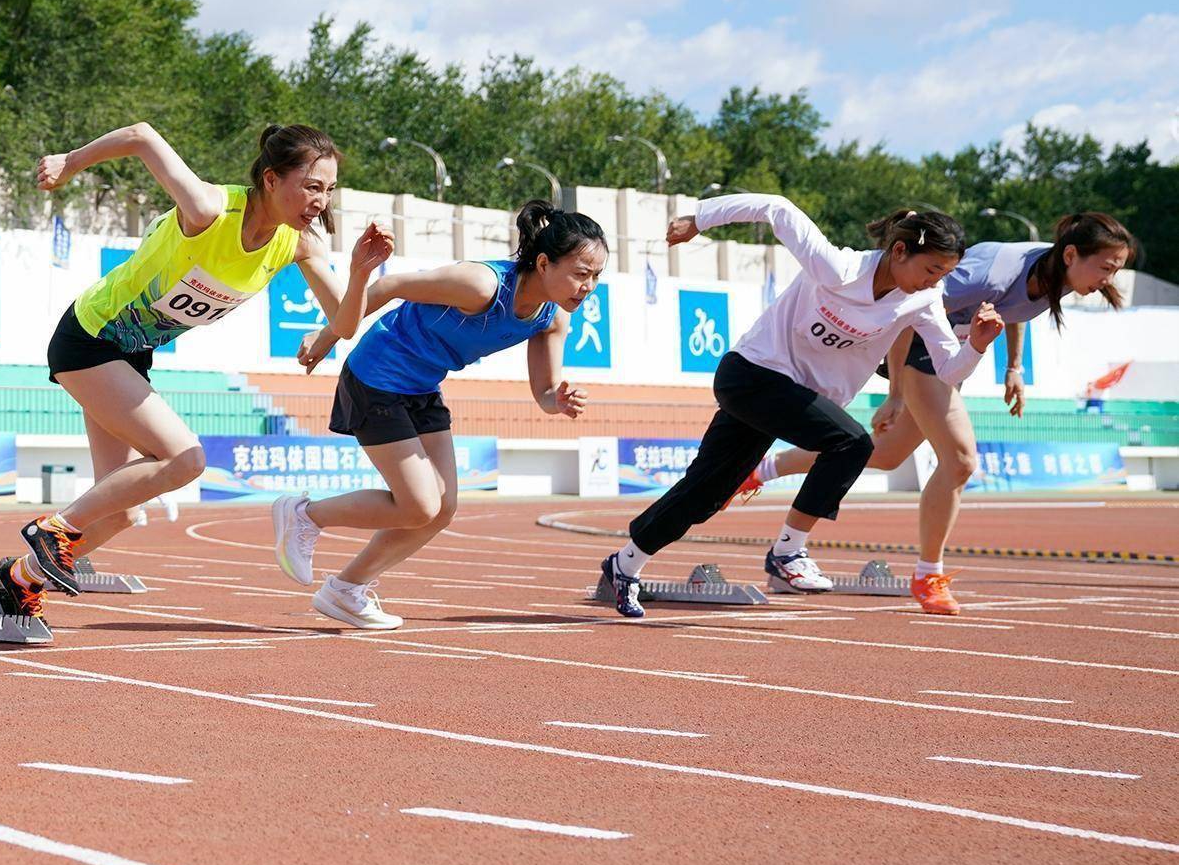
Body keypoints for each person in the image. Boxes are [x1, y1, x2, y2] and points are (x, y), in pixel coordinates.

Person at [0, 123, 349, 618]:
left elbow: (345, 319)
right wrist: (70, 162)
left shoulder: (299, 244)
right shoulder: (208, 209)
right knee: (186, 459)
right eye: (311, 186)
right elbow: (140, 135)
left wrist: (362, 277)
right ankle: (50, 530)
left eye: (329, 189)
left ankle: (19, 579)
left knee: (119, 515)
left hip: (130, 357)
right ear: (270, 179)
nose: (321, 201)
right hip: (89, 337)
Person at [598, 197, 1000, 617]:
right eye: (931, 270)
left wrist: (976, 344)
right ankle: (787, 552)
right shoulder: (837, 268)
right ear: (900, 251)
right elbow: (777, 207)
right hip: (751, 374)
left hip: (786, 398)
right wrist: (699, 219)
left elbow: (949, 372)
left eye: (945, 275)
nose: (934, 282)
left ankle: (623, 566)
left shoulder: (923, 300)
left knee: (706, 494)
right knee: (851, 444)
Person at [741, 212, 1133, 612]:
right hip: (915, 348)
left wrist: (1013, 369)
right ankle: (928, 575)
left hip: (948, 355)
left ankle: (760, 470)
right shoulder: (985, 275)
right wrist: (894, 394)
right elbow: (906, 306)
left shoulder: (1053, 274)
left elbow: (1011, 311)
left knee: (886, 454)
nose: (1108, 279)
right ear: (1071, 254)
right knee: (960, 461)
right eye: (1105, 268)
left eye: (1115, 271)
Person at [273, 201, 604, 629]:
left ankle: (345, 590)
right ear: (544, 263)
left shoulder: (551, 317)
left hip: (423, 388)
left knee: (442, 509)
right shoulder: (480, 285)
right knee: (419, 504)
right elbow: (388, 286)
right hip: (377, 375)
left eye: (596, 276)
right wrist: (327, 334)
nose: (589, 286)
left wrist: (555, 401)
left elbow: (543, 390)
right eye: (581, 273)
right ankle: (304, 514)